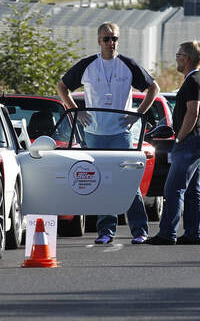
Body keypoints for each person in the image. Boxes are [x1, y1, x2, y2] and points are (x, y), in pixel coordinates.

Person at [58, 22, 160, 245]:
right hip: (94, 134)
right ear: (99, 41)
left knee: (128, 182)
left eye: (114, 39)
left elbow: (154, 88)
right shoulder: (88, 65)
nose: (110, 43)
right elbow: (62, 87)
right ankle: (106, 231)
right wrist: (74, 110)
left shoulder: (127, 65)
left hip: (121, 133)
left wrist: (137, 114)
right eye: (106, 39)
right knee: (103, 182)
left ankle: (139, 230)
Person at [145, 40, 200, 245]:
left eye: (179, 55)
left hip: (190, 139)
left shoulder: (192, 82)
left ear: (187, 58)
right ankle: (192, 233)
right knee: (193, 189)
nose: (177, 58)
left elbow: (192, 112)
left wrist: (180, 137)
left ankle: (167, 233)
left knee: (173, 188)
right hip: (199, 138)